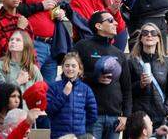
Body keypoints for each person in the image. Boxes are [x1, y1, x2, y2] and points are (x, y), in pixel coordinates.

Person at [71, 11, 131, 139]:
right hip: (91, 115)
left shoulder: (119, 53)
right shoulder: (82, 46)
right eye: (110, 20)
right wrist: (94, 77)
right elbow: (69, 75)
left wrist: (125, 115)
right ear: (98, 26)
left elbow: (126, 88)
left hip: (115, 118)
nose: (115, 23)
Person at [46, 54, 99, 139]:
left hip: (79, 135)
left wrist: (80, 124)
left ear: (79, 69)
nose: (70, 68)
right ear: (62, 68)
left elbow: (93, 115)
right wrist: (64, 94)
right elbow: (49, 110)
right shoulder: (53, 87)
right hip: (58, 135)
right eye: (67, 65)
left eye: (73, 66)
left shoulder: (86, 89)